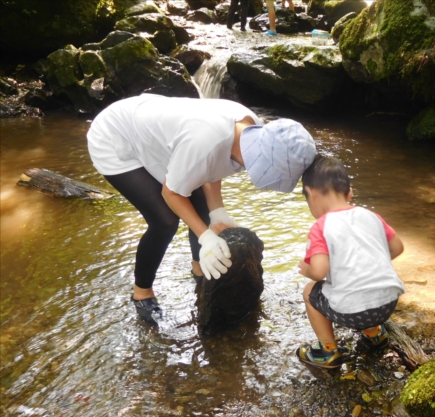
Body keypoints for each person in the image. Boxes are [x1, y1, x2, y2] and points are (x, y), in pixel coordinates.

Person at [87, 93, 316, 325]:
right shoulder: (205, 140)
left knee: (202, 206)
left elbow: (212, 166)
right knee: (164, 221)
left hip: (160, 134)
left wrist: (217, 212)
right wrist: (206, 237)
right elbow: (172, 191)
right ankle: (142, 292)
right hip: (116, 136)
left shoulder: (251, 128)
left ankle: (199, 268)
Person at [296, 155, 405, 369]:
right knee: (360, 283)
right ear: (350, 193)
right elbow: (398, 247)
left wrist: (306, 269)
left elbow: (319, 271)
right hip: (388, 304)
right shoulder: (371, 216)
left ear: (311, 193)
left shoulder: (321, 226)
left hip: (353, 312)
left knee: (310, 292)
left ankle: (328, 351)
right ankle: (375, 334)